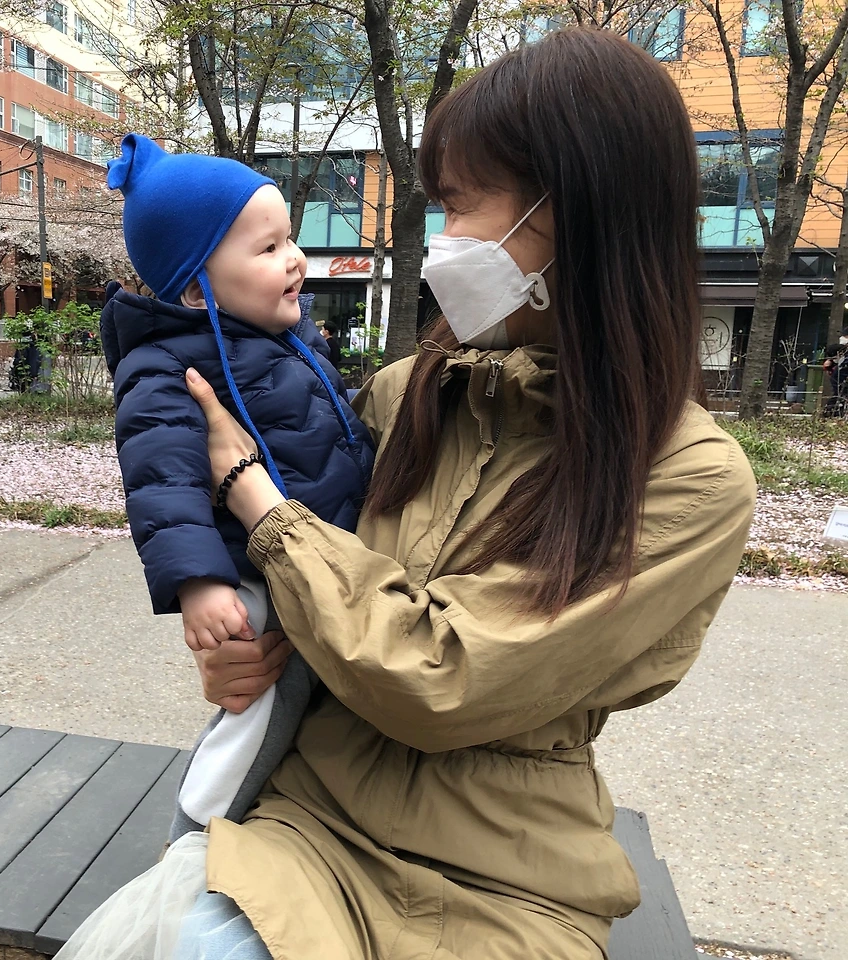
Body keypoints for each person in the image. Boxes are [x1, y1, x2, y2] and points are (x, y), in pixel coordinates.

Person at [59, 28, 756, 960]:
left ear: (576, 208)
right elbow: (309, 583)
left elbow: (439, 679)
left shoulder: (687, 478)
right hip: (311, 819)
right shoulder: (411, 394)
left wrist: (249, 494)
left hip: (504, 882)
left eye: (463, 204)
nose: (446, 239)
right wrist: (241, 646)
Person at [97, 134, 374, 842]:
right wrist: (199, 585)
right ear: (198, 289)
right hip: (257, 570)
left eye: (291, 240)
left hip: (319, 552)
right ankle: (198, 827)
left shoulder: (295, 342)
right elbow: (162, 484)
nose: (295, 259)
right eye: (269, 248)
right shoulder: (166, 369)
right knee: (262, 696)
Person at [824, 325, 847, 416]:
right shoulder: (842, 351)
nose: (842, 338)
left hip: (841, 379)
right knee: (839, 395)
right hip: (840, 379)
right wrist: (831, 362)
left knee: (840, 395)